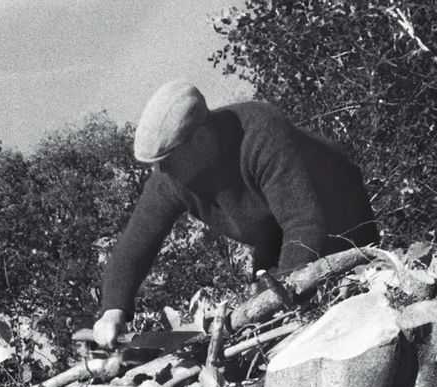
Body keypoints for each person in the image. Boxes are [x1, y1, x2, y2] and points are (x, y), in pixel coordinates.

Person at [94, 80, 379, 348]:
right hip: (274, 234)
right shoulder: (171, 177)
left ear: (202, 138)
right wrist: (112, 310)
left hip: (341, 219)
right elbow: (134, 247)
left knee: (333, 314)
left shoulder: (261, 132)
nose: (162, 172)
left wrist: (274, 303)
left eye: (166, 161)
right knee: (265, 322)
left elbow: (305, 224)